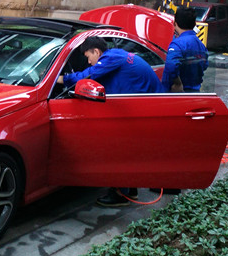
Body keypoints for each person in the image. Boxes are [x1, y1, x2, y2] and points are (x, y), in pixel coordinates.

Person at [60, 35, 161, 207]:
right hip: (144, 106)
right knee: (127, 148)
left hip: (144, 108)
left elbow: (87, 76)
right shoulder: (116, 55)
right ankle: (130, 189)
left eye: (88, 57)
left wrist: (62, 79)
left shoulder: (110, 59)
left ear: (96, 51)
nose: (89, 62)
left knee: (120, 147)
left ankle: (121, 194)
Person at [161, 7, 208, 93]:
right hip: (195, 92)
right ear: (194, 24)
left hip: (177, 94)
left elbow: (171, 66)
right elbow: (205, 65)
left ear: (175, 23)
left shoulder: (177, 44)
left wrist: (177, 83)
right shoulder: (201, 45)